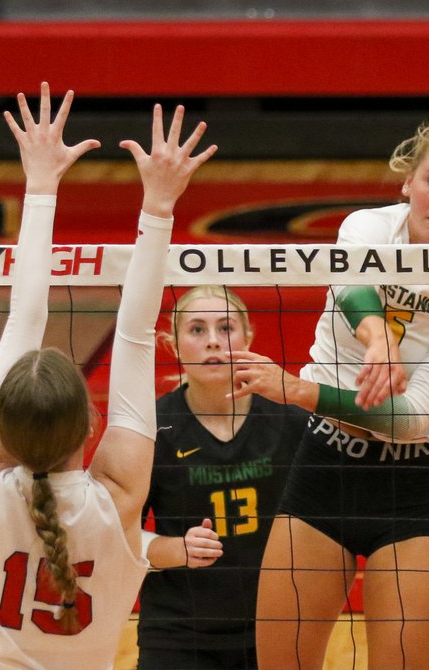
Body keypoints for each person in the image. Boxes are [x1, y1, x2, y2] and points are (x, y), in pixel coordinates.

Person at [230, 108, 429, 670]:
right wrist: (377, 333)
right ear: (408, 182)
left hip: (411, 489)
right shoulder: (367, 228)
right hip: (322, 470)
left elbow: (409, 419)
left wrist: (300, 392)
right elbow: (352, 285)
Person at [0, 83, 215, 669]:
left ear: (4, 430)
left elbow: (25, 316)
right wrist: (159, 204)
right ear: (89, 426)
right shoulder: (117, 500)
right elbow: (136, 332)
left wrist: (40, 184)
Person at [137, 286, 308, 670]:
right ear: (173, 345)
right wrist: (173, 548)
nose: (213, 341)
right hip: (178, 631)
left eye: (225, 328)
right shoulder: (152, 428)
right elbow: (116, 534)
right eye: (197, 330)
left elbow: (332, 522)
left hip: (275, 626)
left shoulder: (291, 421)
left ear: (248, 339)